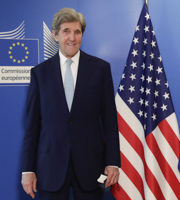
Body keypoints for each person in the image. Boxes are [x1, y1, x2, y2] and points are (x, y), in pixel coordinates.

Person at [21, 8, 121, 200]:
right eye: (66, 31)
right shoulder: (39, 73)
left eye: (77, 32)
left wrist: (113, 162)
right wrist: (28, 169)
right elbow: (32, 126)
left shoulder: (101, 69)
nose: (72, 38)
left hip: (91, 166)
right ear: (55, 35)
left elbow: (110, 121)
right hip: (50, 167)